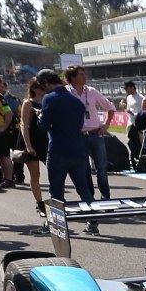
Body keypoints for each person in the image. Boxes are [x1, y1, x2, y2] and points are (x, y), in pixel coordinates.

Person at [35, 69, 92, 216]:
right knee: (83, 189)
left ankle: (58, 224)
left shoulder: (49, 98)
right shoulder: (76, 101)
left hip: (58, 149)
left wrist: (40, 116)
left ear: (47, 82)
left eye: (42, 85)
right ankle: (93, 221)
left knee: (56, 191)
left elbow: (44, 125)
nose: (43, 89)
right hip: (78, 149)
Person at [67, 66, 113, 199]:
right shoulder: (66, 93)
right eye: (81, 75)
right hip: (78, 136)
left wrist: (106, 124)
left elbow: (110, 107)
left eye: (84, 74)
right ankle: (90, 198)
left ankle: (105, 198)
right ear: (73, 77)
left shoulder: (92, 92)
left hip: (95, 134)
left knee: (102, 169)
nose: (84, 77)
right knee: (84, 170)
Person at [17, 76, 46, 216]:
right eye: (41, 86)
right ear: (34, 88)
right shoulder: (28, 103)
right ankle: (39, 202)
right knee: (36, 175)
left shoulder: (48, 101)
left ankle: (56, 200)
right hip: (32, 141)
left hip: (46, 141)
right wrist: (28, 145)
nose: (44, 89)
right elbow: (24, 125)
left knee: (55, 173)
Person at [123, 79, 146, 171]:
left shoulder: (141, 97)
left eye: (127, 88)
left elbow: (143, 112)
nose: (126, 90)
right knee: (132, 143)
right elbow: (128, 110)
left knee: (139, 144)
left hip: (138, 123)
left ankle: (141, 161)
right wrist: (127, 111)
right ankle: (134, 162)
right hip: (131, 123)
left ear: (132, 87)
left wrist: (134, 114)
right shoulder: (128, 98)